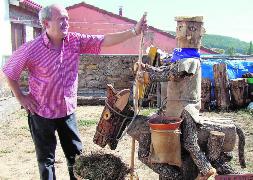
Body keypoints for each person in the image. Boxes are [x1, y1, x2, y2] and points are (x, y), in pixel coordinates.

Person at [2, 4, 147, 180]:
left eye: (67, 18)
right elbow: (9, 71)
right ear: (46, 23)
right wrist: (21, 98)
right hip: (41, 113)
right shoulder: (32, 48)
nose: (66, 23)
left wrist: (134, 31)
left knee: (76, 158)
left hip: (67, 112)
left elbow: (104, 40)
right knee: (46, 160)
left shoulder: (74, 41)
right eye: (61, 19)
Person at [137, 16, 216, 180]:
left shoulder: (191, 60)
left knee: (189, 142)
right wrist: (147, 68)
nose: (183, 31)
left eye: (189, 28)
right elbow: (165, 70)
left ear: (196, 33)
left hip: (186, 107)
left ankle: (207, 169)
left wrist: (147, 76)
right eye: (179, 27)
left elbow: (173, 74)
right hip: (171, 106)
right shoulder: (178, 57)